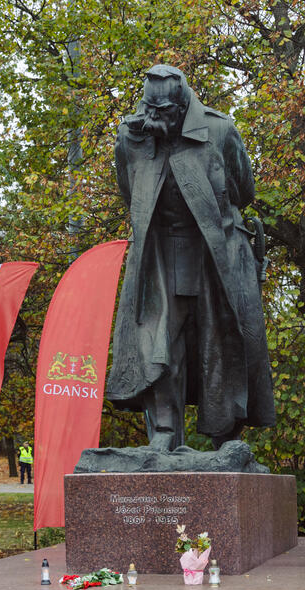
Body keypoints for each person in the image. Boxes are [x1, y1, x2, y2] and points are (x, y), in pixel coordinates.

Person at [107, 64, 275, 451]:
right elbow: (130, 194)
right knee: (157, 344)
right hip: (160, 255)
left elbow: (243, 189)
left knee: (222, 339)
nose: (155, 117)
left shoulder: (219, 130)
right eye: (151, 108)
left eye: (165, 111)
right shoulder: (131, 138)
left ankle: (225, 436)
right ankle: (164, 432)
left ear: (183, 106)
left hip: (215, 255)